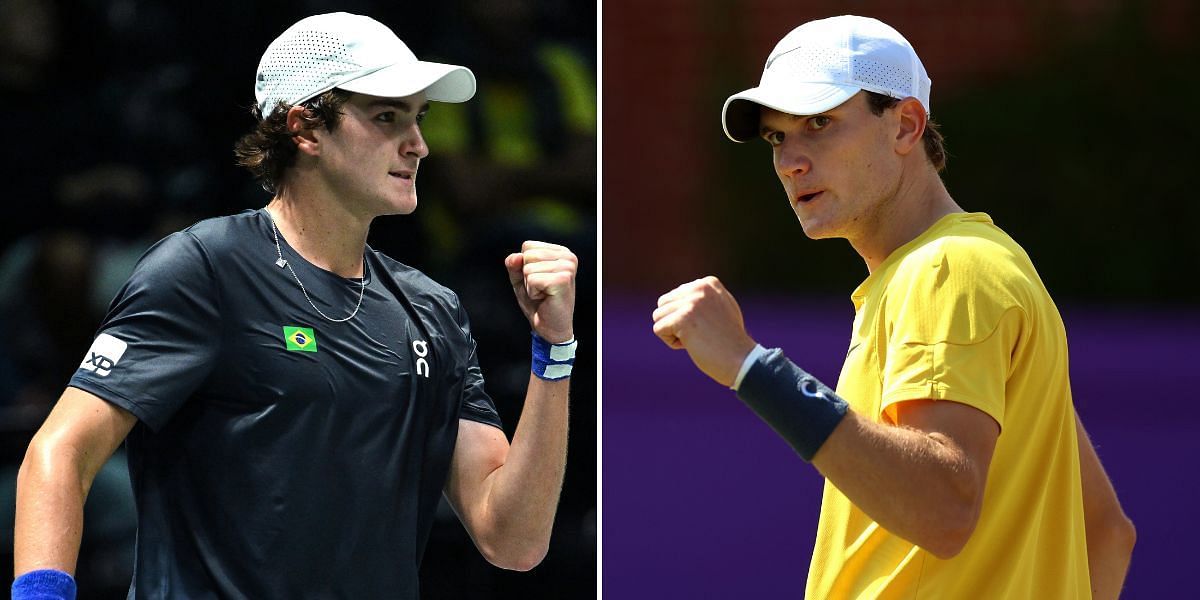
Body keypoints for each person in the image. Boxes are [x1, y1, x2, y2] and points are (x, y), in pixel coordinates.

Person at [12, 12, 578, 599]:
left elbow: (512, 540)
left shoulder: (433, 311)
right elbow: (61, 452)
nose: (419, 145)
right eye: (387, 117)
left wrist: (553, 351)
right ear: (305, 128)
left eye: (419, 119)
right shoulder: (205, 269)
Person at [652, 15, 1134, 599]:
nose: (789, 161)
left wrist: (750, 367)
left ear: (905, 125)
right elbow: (1107, 533)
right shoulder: (978, 262)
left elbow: (942, 506)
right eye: (779, 137)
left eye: (820, 123)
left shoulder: (946, 269)